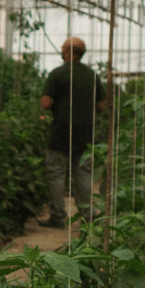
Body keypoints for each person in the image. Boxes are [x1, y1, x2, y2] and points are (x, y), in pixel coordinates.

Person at [39, 36, 103, 228]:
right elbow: (101, 105)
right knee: (83, 175)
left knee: (56, 174)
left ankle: (58, 217)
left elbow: (45, 103)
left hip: (60, 134)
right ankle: (88, 216)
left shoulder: (58, 74)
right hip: (85, 134)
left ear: (67, 52)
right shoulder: (92, 75)